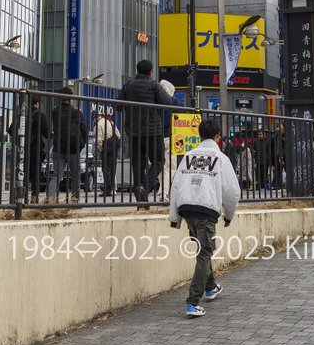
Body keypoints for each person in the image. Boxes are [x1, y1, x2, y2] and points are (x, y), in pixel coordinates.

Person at [169, 118, 240, 318]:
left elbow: (175, 185)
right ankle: (192, 302)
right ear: (218, 137)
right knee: (204, 253)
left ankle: (210, 287)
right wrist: (229, 215)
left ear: (200, 135)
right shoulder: (221, 158)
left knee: (202, 249)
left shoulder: (188, 155)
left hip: (187, 209)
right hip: (206, 209)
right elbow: (232, 191)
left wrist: (174, 217)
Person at [117, 59, 173, 202]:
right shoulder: (154, 85)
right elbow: (167, 102)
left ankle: (141, 200)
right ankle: (145, 187)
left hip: (134, 131)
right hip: (154, 130)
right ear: (150, 72)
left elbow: (118, 105)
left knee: (138, 163)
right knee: (158, 160)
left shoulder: (128, 85)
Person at [9, 96, 51, 202]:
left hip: (22, 149)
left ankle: (20, 197)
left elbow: (10, 130)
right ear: (37, 104)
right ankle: (34, 198)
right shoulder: (40, 115)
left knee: (22, 173)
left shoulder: (22, 115)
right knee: (35, 174)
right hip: (35, 149)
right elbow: (47, 134)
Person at [51, 88, 87, 202]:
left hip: (58, 148)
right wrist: (81, 144)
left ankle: (50, 198)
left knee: (57, 175)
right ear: (71, 99)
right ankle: (75, 199)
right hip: (72, 149)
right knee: (75, 176)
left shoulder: (54, 112)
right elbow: (84, 130)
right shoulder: (76, 113)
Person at [93, 107, 120, 196]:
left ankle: (107, 189)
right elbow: (118, 134)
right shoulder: (110, 122)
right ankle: (111, 187)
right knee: (112, 169)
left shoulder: (98, 125)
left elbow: (99, 140)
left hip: (106, 149)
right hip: (114, 148)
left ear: (96, 118)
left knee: (106, 169)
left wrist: (100, 150)